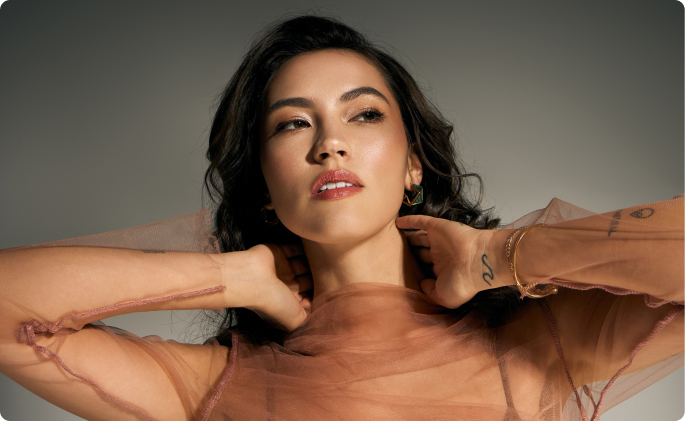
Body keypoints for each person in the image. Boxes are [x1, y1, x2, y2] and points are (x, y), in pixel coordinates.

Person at [0, 14, 682, 421]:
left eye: (363, 114)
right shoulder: (213, 387)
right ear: (265, 189)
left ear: (413, 163)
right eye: (293, 124)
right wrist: (239, 278)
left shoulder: (534, 345)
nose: (330, 143)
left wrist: (495, 257)